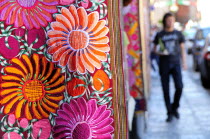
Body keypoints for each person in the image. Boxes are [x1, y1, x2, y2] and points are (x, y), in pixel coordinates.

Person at [153, 13, 187, 122]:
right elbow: (154, 49)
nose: (170, 22)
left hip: (176, 63)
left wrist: (184, 62)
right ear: (165, 21)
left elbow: (182, 48)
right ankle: (169, 113)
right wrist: (160, 53)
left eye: (172, 20)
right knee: (166, 89)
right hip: (164, 65)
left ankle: (175, 107)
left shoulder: (178, 34)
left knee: (180, 87)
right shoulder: (160, 34)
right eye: (168, 20)